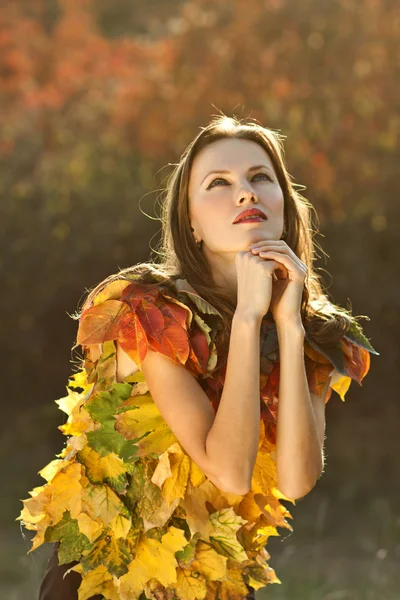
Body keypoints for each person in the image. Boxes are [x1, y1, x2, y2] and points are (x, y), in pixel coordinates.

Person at [19, 114, 378, 599]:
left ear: (285, 205)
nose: (246, 193)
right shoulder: (147, 311)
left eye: (260, 178)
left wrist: (289, 326)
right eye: (219, 183)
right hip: (112, 581)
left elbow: (296, 480)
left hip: (216, 581)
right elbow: (228, 469)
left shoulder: (313, 331)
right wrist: (248, 319)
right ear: (191, 220)